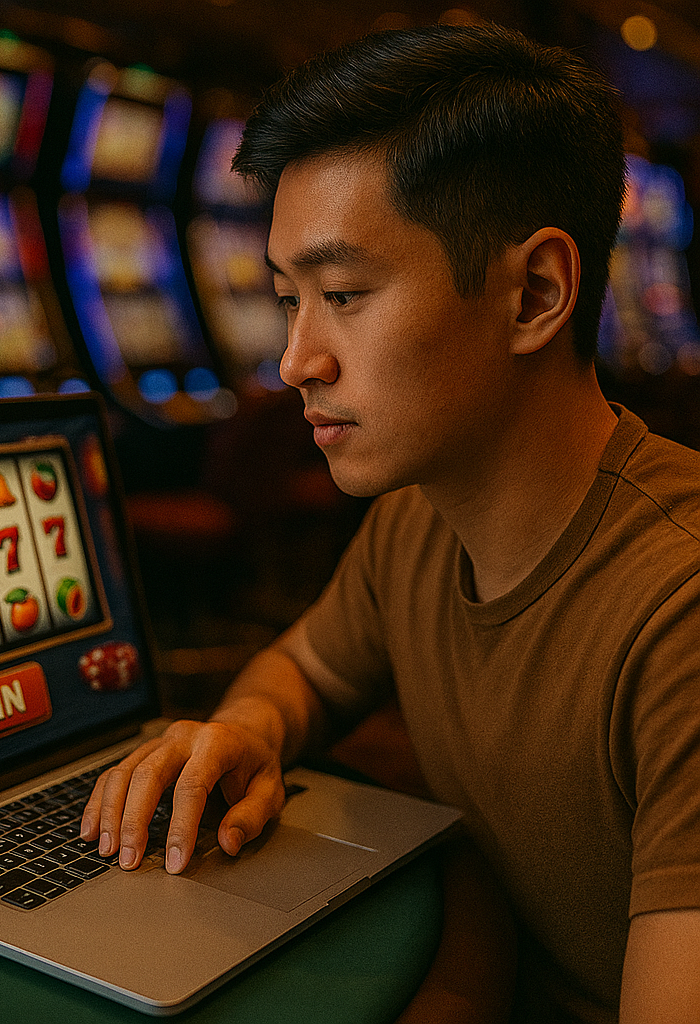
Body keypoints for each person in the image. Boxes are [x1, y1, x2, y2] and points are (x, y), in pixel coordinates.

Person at [79, 22, 700, 1024]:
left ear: (533, 293)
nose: (294, 360)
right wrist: (247, 729)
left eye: (343, 295)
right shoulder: (420, 518)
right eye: (289, 301)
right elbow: (307, 669)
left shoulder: (678, 611)